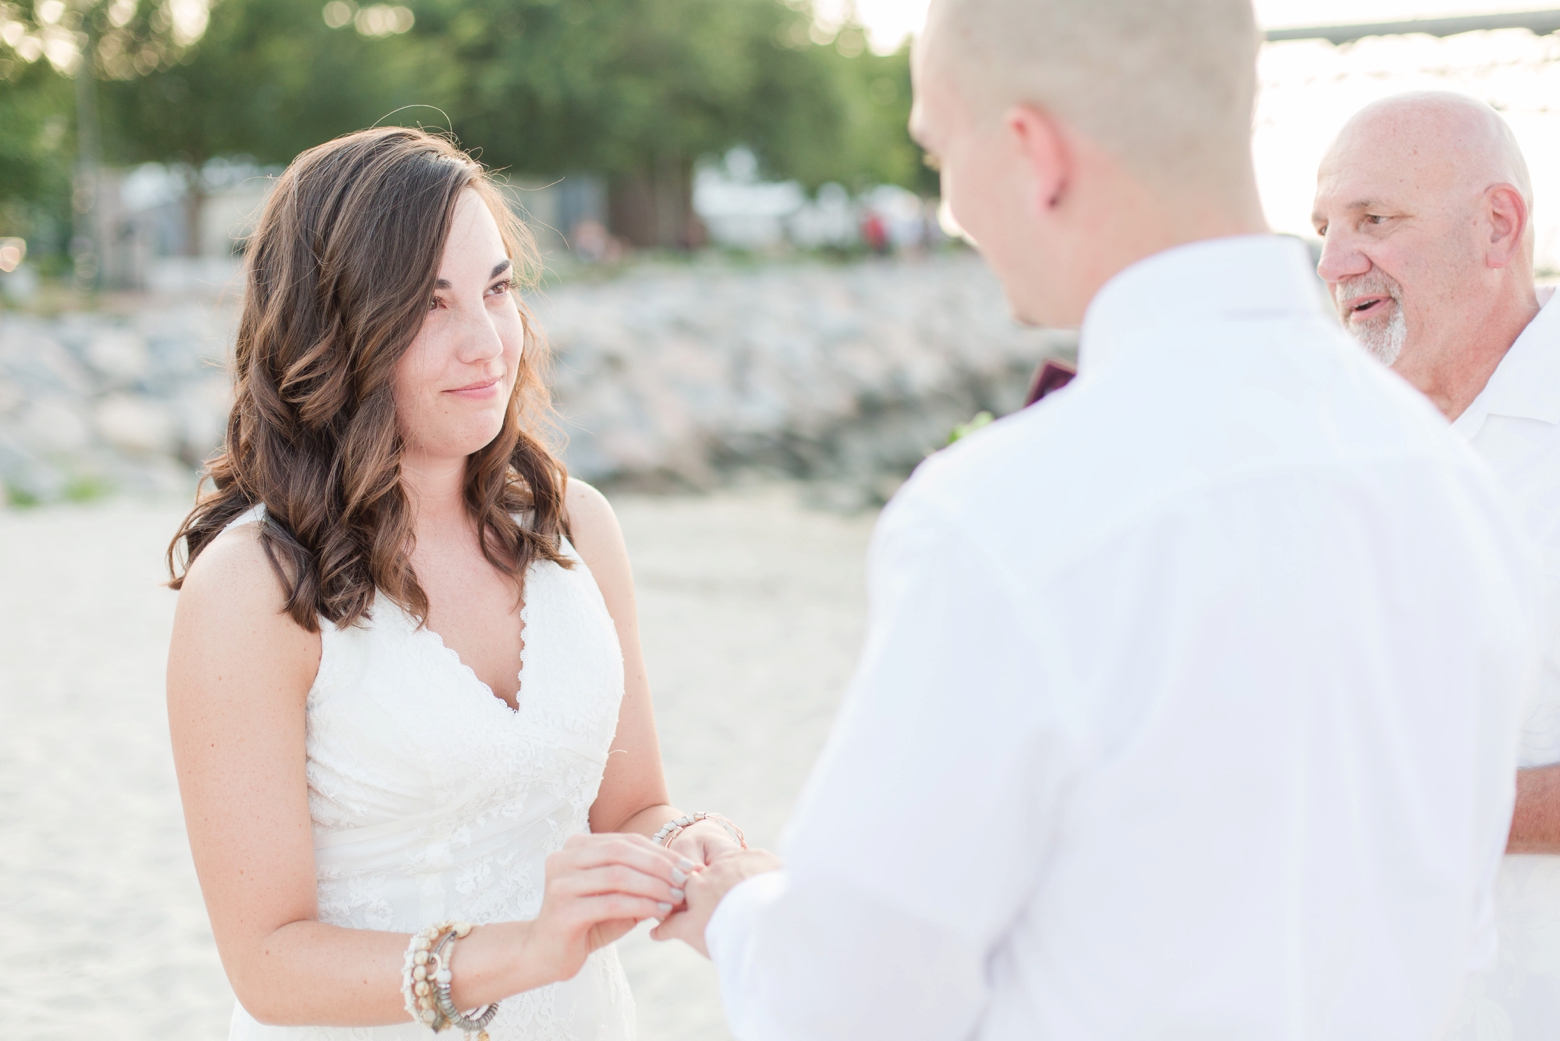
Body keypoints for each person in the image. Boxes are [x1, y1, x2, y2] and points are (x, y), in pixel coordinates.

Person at [651, 1, 1542, 1038]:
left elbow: (851, 1002)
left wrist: (740, 908)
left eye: (941, 153)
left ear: (1034, 153)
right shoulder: (1453, 486)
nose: (952, 209)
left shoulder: (1001, 520)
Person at [164, 127, 743, 1040]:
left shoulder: (576, 528)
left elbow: (630, 807)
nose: (487, 343)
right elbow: (267, 959)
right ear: (338, 325)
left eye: (498, 289)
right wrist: (521, 951)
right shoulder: (255, 588)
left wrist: (686, 845)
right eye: (431, 306)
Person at [1313, 91, 1560, 1039]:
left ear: (1497, 227)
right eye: (1327, 227)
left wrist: (1420, 808)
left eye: (1376, 220)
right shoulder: (1338, 452)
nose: (1335, 262)